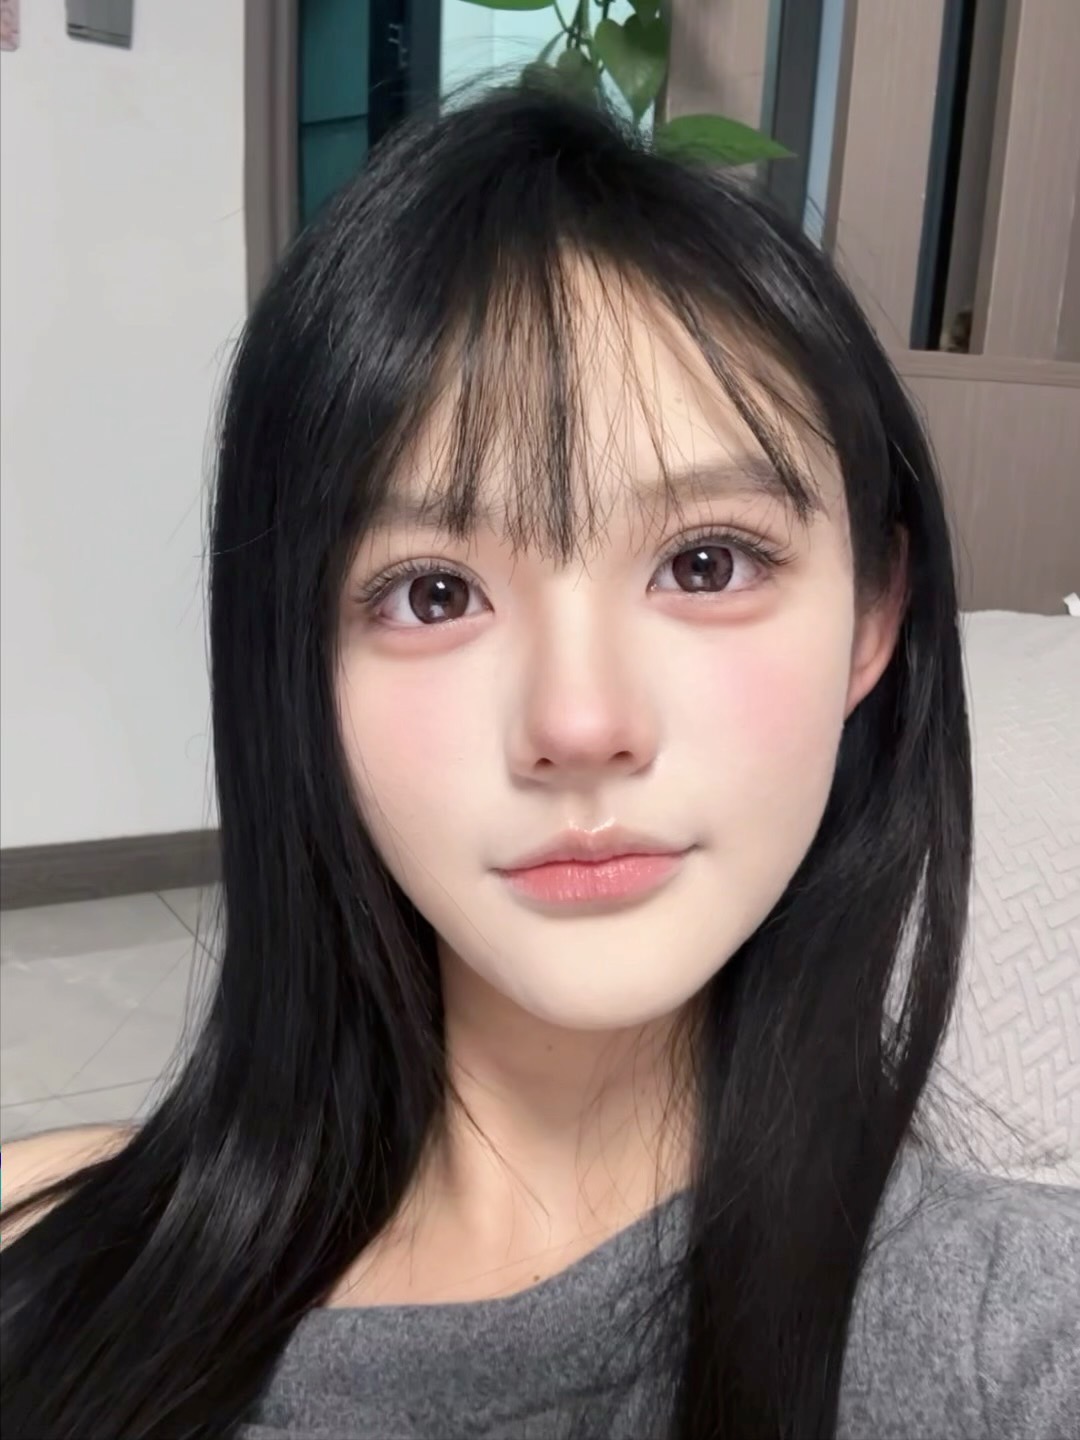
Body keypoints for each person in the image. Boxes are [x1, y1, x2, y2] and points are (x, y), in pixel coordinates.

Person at [1, 83, 1076, 1440]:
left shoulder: (1016, 1335)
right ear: (295, 670)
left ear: (873, 617)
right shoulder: (51, 1249)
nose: (577, 722)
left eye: (707, 563)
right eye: (434, 593)